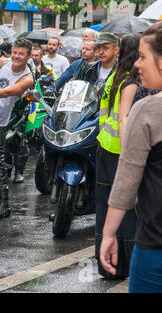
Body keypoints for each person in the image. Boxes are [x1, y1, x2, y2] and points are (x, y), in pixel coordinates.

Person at [100, 22, 162, 293]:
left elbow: (127, 180)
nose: (137, 64)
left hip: (154, 249)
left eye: (143, 56)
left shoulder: (147, 110)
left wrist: (108, 234)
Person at [95, 33, 140, 280]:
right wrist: (129, 156)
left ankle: (108, 266)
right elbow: (123, 119)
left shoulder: (114, 76)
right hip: (119, 153)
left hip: (104, 149)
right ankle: (126, 266)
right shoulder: (130, 82)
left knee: (107, 210)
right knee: (127, 212)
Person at [0, 38, 34, 219]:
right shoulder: (4, 64)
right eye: (15, 52)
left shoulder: (27, 78)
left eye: (21, 54)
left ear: (28, 56)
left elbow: (9, 91)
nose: (16, 56)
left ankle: (4, 205)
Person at [76, 32, 119, 97]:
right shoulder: (88, 69)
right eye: (98, 48)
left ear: (116, 50)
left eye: (105, 48)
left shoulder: (121, 71)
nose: (101, 52)